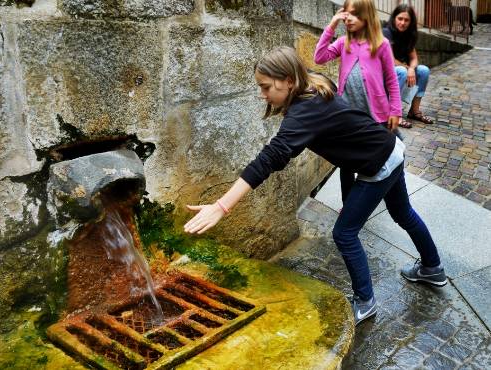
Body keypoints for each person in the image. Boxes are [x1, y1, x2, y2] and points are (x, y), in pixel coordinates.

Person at [183, 46, 446, 326]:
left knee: (344, 233)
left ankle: (366, 301)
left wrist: (222, 206)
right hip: (390, 148)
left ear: (288, 80)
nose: (263, 95)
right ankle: (433, 268)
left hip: (379, 163)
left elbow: (268, 159)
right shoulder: (313, 82)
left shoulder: (304, 111)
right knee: (402, 212)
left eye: (266, 87)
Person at [313, 0, 404, 204]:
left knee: (378, 157)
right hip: (349, 117)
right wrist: (332, 25)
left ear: (367, 17)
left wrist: (395, 110)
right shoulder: (344, 42)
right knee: (346, 164)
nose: (348, 18)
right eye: (346, 13)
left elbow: (391, 79)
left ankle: (376, 194)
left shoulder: (381, 44)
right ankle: (348, 205)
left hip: (376, 115)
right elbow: (319, 57)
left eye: (354, 14)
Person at [383, 4, 435, 125]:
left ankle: (414, 111)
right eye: (400, 18)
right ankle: (393, 113)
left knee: (424, 70)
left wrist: (412, 69)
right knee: (402, 70)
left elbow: (414, 58)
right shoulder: (386, 32)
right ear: (394, 18)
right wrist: (407, 69)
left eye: (406, 20)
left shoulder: (408, 35)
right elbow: (389, 60)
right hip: (383, 73)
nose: (402, 23)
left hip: (402, 70)